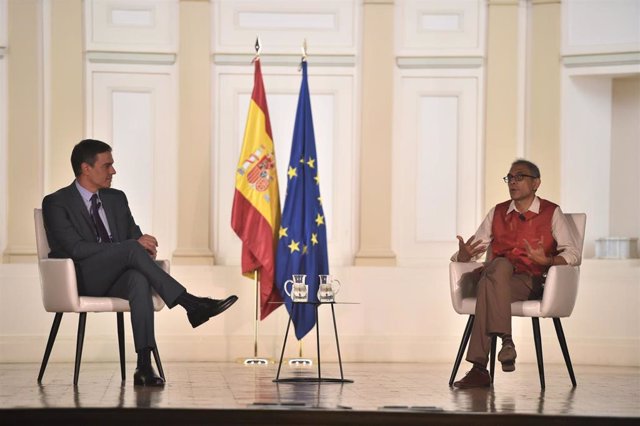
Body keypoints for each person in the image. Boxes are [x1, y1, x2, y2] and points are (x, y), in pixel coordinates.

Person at [42, 139, 238, 387]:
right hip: (80, 278)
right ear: (86, 168)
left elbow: (133, 237)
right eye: (107, 165)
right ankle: (190, 303)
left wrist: (143, 245)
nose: (113, 171)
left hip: (119, 275)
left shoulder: (116, 198)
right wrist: (131, 247)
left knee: (139, 279)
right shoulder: (56, 202)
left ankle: (144, 365)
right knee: (132, 252)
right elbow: (75, 248)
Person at [451, 159, 580, 388]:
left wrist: (548, 260)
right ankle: (506, 343)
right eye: (509, 177)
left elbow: (573, 253)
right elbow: (473, 250)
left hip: (530, 281)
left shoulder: (551, 212)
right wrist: (462, 256)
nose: (513, 182)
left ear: (536, 183)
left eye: (519, 177)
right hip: (499, 278)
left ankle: (480, 368)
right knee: (498, 268)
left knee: (487, 284)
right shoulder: (498, 212)